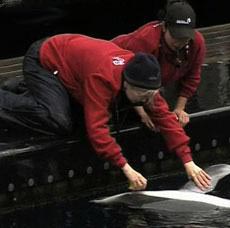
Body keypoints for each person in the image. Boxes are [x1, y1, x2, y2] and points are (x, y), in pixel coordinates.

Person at [0, 34, 211, 191]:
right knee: (58, 122)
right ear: (127, 84)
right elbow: (97, 130)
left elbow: (164, 117)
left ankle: (24, 90)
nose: (149, 100)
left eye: (152, 94)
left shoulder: (143, 83)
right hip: (44, 59)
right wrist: (126, 168)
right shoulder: (102, 79)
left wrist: (188, 161)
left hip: (71, 67)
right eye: (144, 95)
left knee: (77, 121)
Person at [112, 0, 205, 131]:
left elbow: (193, 77)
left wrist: (179, 108)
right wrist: (141, 112)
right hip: (116, 68)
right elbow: (128, 80)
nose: (180, 43)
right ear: (164, 27)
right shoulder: (145, 41)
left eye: (185, 38)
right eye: (175, 36)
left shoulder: (197, 44)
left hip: (151, 82)